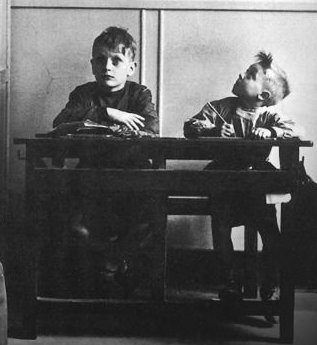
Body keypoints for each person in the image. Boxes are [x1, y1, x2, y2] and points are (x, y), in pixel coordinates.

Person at [183, 50, 298, 304]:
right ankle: (230, 280)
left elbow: (293, 131)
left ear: (263, 96)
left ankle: (270, 281)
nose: (240, 75)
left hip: (256, 181)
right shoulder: (219, 108)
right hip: (224, 178)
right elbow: (190, 127)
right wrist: (212, 130)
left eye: (249, 75)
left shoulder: (269, 117)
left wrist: (271, 132)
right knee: (221, 227)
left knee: (269, 230)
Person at [51, 26, 158, 296]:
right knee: (76, 226)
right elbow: (61, 123)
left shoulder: (139, 94)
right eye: (100, 60)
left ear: (130, 67)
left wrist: (96, 122)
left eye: (116, 60)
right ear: (92, 64)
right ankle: (106, 266)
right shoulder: (83, 94)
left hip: (132, 178)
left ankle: (112, 263)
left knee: (146, 223)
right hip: (90, 178)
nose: (107, 67)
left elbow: (150, 131)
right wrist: (109, 113)